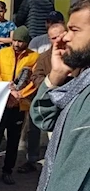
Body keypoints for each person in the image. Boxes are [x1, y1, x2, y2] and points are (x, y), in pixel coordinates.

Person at [27, 0, 90, 191]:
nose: (64, 38)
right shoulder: (79, 83)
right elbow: (43, 117)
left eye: (74, 30)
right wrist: (56, 74)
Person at [0, 26, 38, 185]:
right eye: (14, 40)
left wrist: (19, 95)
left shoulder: (34, 57)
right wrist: (7, 92)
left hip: (19, 104)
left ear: (26, 42)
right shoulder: (2, 53)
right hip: (2, 103)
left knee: (13, 140)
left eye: (20, 41)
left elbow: (34, 80)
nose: (16, 44)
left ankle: (7, 171)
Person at [18, 22, 68, 175]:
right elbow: (36, 76)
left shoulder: (77, 54)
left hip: (68, 102)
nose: (57, 40)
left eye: (60, 36)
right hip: (47, 99)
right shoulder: (44, 57)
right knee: (34, 130)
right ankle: (32, 160)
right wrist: (51, 84)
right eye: (53, 38)